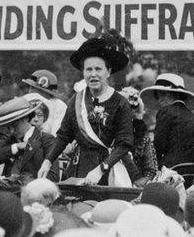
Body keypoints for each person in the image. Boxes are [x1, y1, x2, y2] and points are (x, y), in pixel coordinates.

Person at [38, 30, 135, 186]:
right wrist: (48, 161)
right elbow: (64, 136)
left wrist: (102, 169)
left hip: (109, 168)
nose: (93, 74)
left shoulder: (120, 103)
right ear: (83, 72)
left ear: (108, 71)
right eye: (88, 69)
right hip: (79, 167)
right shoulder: (75, 101)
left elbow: (124, 144)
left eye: (98, 69)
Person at [0, 96, 55, 179]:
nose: (11, 131)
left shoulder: (46, 140)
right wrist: (16, 147)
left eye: (14, 126)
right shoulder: (10, 141)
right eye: (8, 128)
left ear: (26, 119)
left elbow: (53, 176)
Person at [142, 73, 194, 169]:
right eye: (157, 95)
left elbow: (158, 146)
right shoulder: (192, 116)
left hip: (171, 170)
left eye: (163, 94)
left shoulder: (166, 112)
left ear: (173, 94)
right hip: (192, 170)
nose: (160, 99)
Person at [22, 69, 68, 135]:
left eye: (33, 88)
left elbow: (57, 135)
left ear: (45, 91)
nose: (30, 91)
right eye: (30, 87)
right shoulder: (26, 101)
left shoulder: (59, 106)